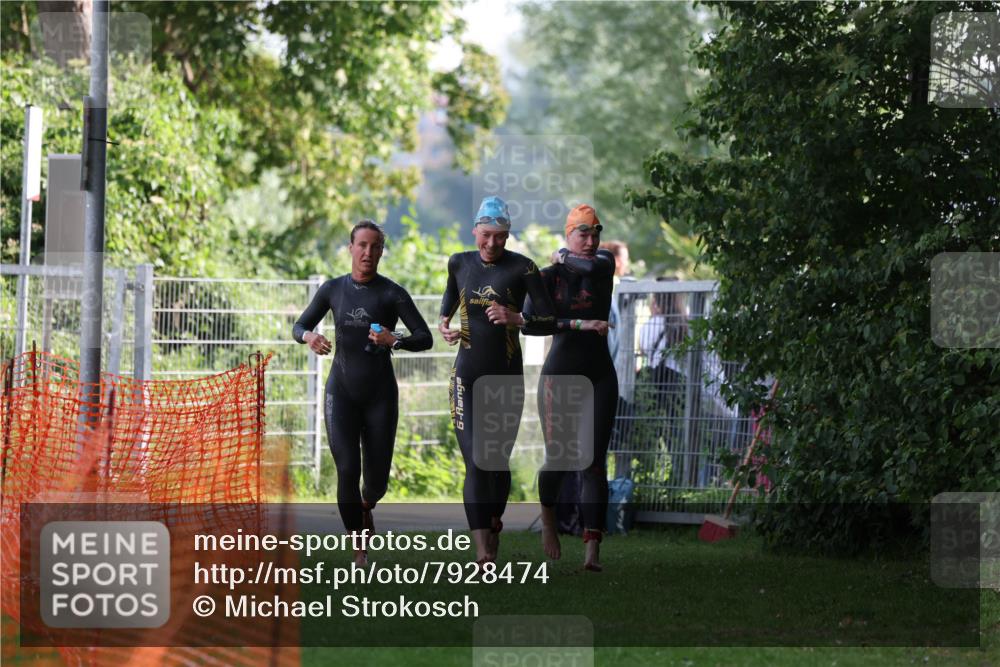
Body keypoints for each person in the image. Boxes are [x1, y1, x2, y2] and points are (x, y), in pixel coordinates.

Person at [293, 220, 432, 565]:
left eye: (375, 247)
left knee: (375, 483)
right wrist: (310, 337)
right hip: (341, 392)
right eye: (362, 245)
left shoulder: (392, 293)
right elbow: (300, 325)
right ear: (351, 248)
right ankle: (359, 548)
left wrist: (393, 339)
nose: (367, 252)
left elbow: (425, 337)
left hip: (380, 396)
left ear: (381, 251)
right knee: (347, 470)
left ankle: (368, 506)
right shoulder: (333, 289)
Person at [439, 196, 556, 566]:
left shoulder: (524, 268)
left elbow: (548, 321)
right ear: (475, 230)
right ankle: (482, 550)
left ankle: (493, 525)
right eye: (486, 235)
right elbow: (449, 300)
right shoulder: (459, 262)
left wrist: (516, 318)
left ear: (508, 236)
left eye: (501, 237)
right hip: (466, 377)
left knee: (497, 461)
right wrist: (444, 324)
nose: (492, 244)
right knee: (476, 460)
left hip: (506, 378)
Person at [523, 204, 616, 571]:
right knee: (559, 459)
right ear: (568, 234)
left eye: (595, 233)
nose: (591, 241)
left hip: (599, 375)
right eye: (583, 234)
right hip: (560, 374)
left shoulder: (603, 263)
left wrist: (562, 256)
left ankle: (592, 549)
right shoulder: (549, 277)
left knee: (594, 463)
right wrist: (577, 325)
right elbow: (530, 325)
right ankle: (549, 519)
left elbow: (588, 267)